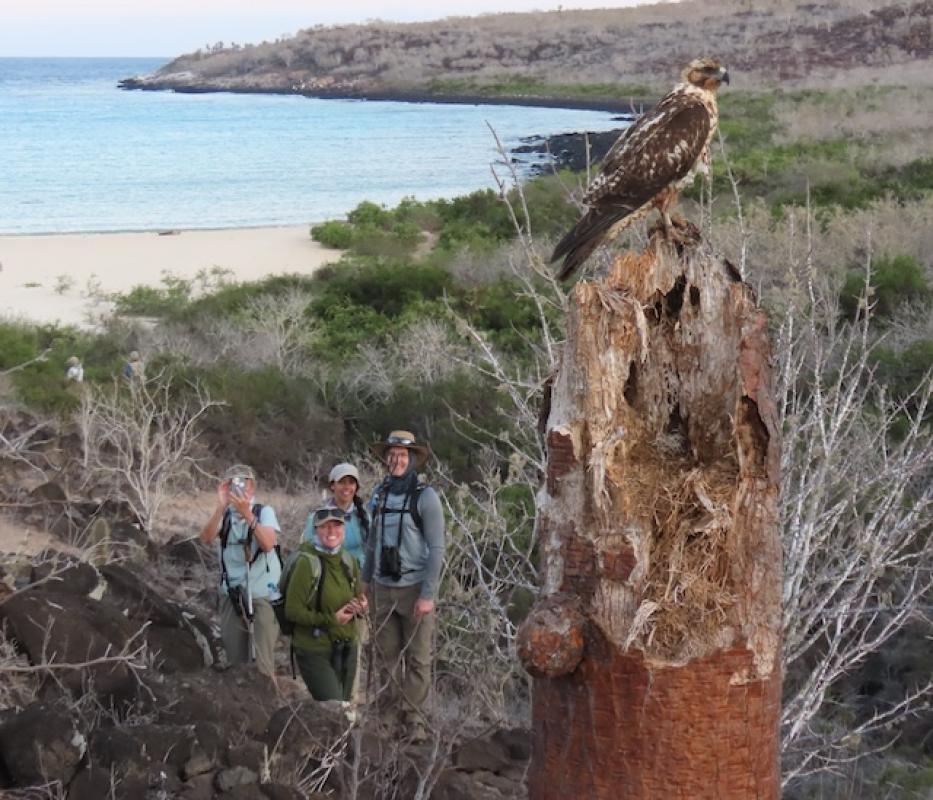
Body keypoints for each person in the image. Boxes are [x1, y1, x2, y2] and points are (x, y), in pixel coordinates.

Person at [363, 429, 445, 742]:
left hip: (414, 589)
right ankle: (387, 717)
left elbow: (437, 548)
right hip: (382, 588)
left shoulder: (426, 497)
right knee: (385, 658)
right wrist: (365, 582)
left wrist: (428, 595)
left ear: (412, 459)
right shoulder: (379, 494)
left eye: (402, 455)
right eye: (392, 454)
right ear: (386, 458)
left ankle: (414, 721)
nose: (396, 459)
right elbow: (372, 542)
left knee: (418, 658)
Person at [199, 464, 282, 681]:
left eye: (243, 482)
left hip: (262, 592)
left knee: (263, 663)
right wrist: (220, 506)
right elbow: (205, 538)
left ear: (252, 487)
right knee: (236, 662)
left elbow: (268, 544)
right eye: (232, 483)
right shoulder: (224, 515)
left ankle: (269, 703)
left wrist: (247, 514)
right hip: (232, 594)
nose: (238, 487)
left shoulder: (264, 512)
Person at [286, 507, 367, 701]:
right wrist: (332, 619)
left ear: (344, 529)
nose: (331, 532)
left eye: (337, 526)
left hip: (346, 646)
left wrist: (361, 607)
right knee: (333, 707)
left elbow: (357, 597)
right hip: (314, 649)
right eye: (325, 527)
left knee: (345, 709)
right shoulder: (307, 564)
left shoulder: (349, 561)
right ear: (315, 530)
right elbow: (292, 611)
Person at [303, 463, 369, 568]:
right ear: (332, 485)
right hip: (331, 577)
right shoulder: (318, 517)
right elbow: (307, 551)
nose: (347, 487)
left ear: (356, 487)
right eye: (342, 482)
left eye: (351, 482)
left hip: (360, 579)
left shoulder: (364, 516)